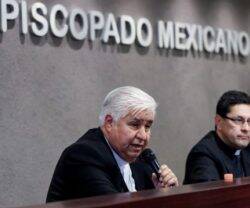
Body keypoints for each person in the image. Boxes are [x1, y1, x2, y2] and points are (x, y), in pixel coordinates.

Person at [46, 86, 178, 202]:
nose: (143, 135)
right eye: (134, 125)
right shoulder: (83, 156)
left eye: (148, 126)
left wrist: (162, 194)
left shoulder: (141, 160)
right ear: (109, 123)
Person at [184, 90, 250, 184]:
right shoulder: (203, 155)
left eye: (249, 121)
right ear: (218, 122)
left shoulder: (247, 147)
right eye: (238, 120)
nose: (246, 128)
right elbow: (211, 197)